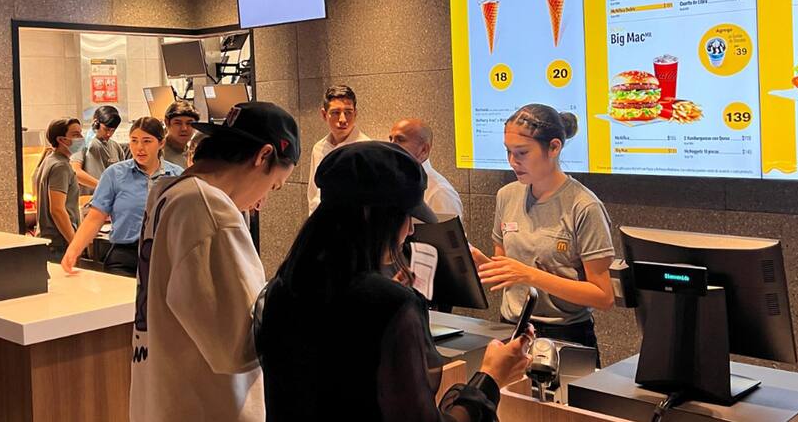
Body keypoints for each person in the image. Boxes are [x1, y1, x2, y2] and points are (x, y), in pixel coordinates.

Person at [256, 141, 532, 422]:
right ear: (369, 215)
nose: (410, 229)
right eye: (406, 217)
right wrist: (490, 378)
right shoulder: (390, 305)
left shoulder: (283, 287)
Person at [130, 101, 299, 422]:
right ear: (263, 156)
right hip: (206, 408)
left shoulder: (167, 193)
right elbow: (237, 348)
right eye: (273, 185)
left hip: (162, 402)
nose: (261, 202)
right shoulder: (207, 208)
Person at [476, 104, 615, 359]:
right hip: (511, 329)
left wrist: (530, 275)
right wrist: (477, 262)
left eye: (522, 152)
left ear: (554, 148)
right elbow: (506, 273)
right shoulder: (507, 195)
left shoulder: (584, 206)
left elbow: (603, 297)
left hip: (564, 338)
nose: (513, 161)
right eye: (508, 152)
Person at [61, 117, 183, 276]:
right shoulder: (114, 174)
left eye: (147, 141)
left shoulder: (177, 175)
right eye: (134, 141)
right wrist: (74, 249)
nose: (139, 147)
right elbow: (95, 218)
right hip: (125, 256)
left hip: (166, 256)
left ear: (161, 143)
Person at [307, 85, 372, 214]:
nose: (342, 119)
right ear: (324, 115)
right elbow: (313, 194)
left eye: (348, 112)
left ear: (355, 113)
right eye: (336, 113)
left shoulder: (368, 150)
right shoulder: (319, 148)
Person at [388, 118, 464, 218]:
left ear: (424, 150)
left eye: (400, 140)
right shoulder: (392, 183)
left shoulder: (440, 193)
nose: (390, 145)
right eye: (391, 139)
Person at [33, 118, 84, 260]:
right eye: (75, 134)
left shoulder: (49, 160)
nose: (81, 138)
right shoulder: (60, 166)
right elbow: (57, 210)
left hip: (49, 242)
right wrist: (75, 244)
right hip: (58, 244)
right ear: (61, 140)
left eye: (80, 133)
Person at [71, 105, 127, 195]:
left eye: (113, 130)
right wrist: (103, 186)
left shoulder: (116, 147)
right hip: (89, 200)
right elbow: (75, 172)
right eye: (106, 129)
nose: (109, 134)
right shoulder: (79, 143)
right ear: (96, 123)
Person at [162, 100, 200, 168]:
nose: (184, 128)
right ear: (167, 123)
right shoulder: (157, 153)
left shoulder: (194, 152)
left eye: (189, 123)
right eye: (178, 123)